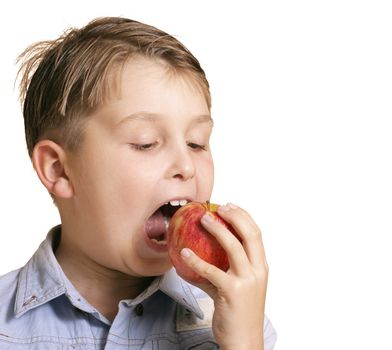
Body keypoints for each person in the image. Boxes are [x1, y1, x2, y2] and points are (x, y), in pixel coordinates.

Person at [0, 17, 276, 350]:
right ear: (59, 170)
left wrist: (245, 342)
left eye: (197, 142)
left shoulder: (231, 319)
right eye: (146, 143)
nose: (186, 166)